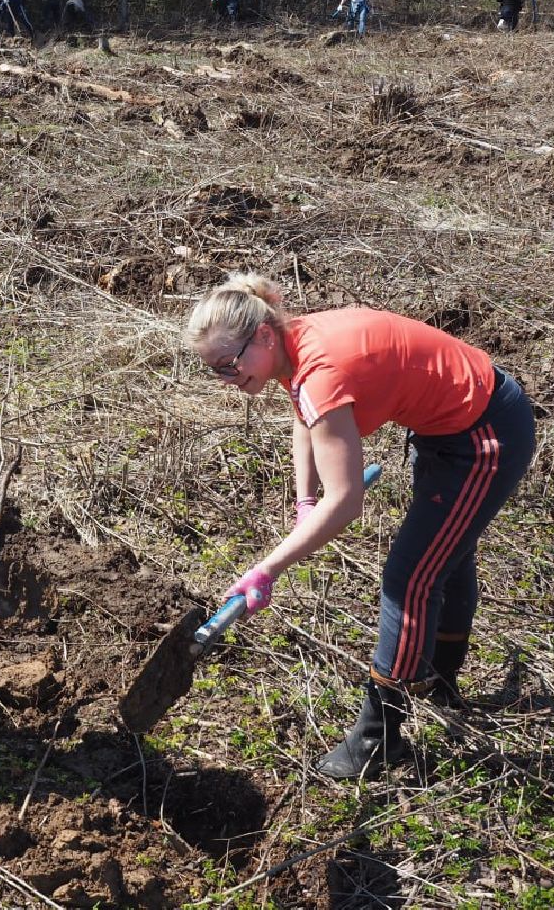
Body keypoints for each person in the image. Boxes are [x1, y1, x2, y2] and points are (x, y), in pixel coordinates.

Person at [184, 273, 535, 779]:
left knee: (411, 577)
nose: (226, 379)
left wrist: (268, 568)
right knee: (444, 553)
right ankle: (442, 680)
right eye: (213, 371)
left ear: (261, 335)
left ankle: (379, 736)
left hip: (483, 438)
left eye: (227, 365)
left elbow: (345, 502)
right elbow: (305, 416)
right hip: (448, 427)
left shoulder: (320, 368)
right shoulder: (291, 343)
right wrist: (307, 500)